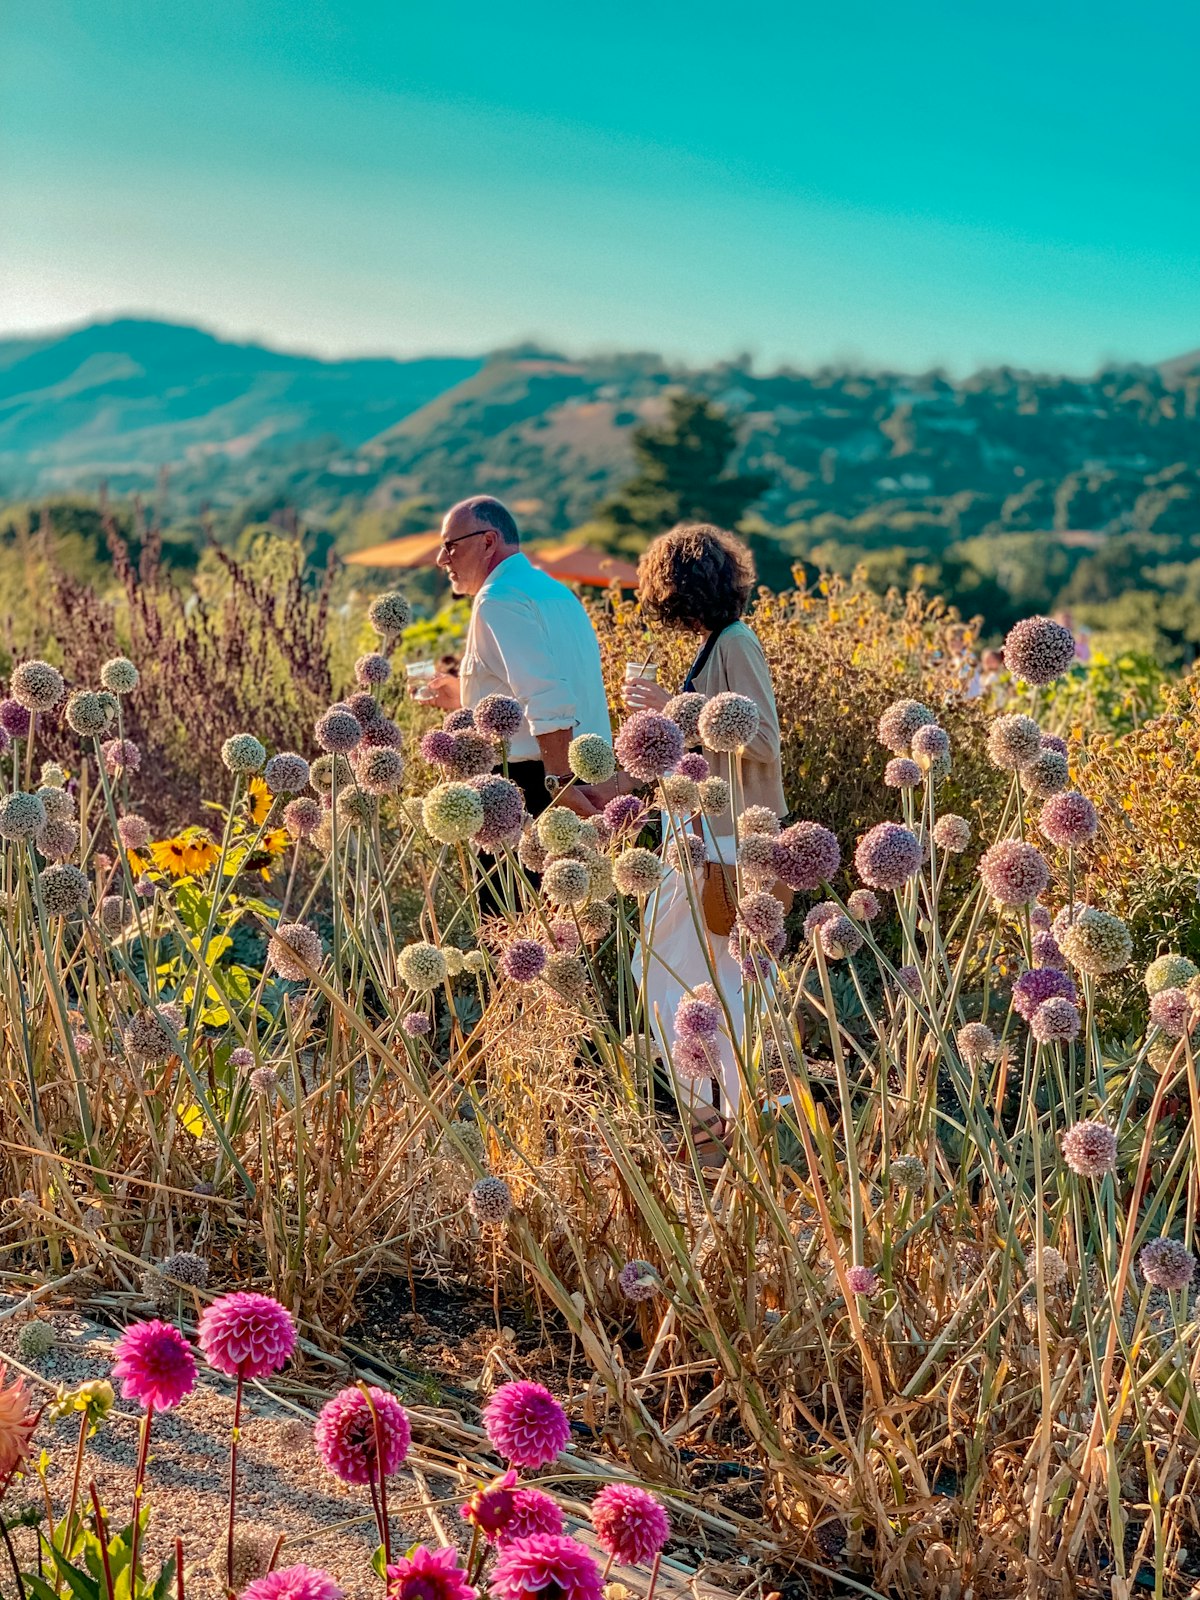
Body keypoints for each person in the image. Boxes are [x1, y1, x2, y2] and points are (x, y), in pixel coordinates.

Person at [624, 523, 785, 1154]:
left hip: (724, 845)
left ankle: (723, 1128)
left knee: (702, 981)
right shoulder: (718, 643)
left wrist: (675, 706)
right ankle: (718, 1123)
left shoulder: (735, 643)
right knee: (681, 978)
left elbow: (764, 740)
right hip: (700, 839)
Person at [419, 496, 612, 816]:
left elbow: (545, 695)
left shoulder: (498, 598)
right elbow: (554, 684)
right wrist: (465, 697)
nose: (441, 558)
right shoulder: (555, 590)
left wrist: (560, 784)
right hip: (588, 773)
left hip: (532, 785)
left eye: (450, 545)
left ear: (488, 541)